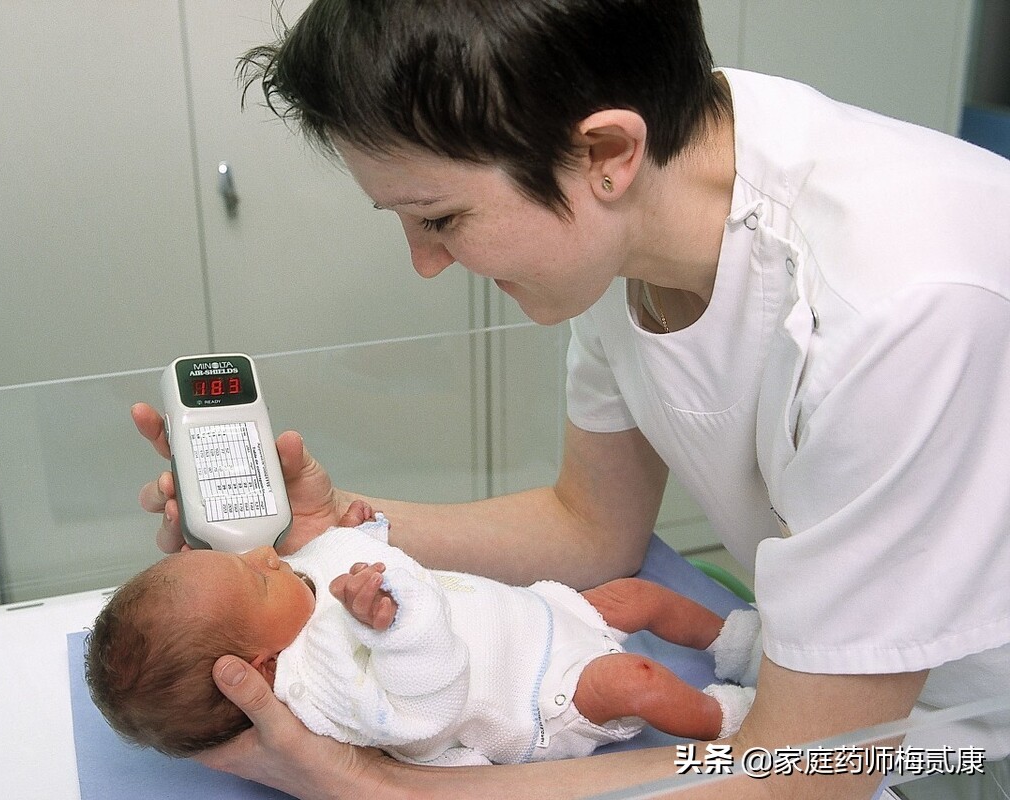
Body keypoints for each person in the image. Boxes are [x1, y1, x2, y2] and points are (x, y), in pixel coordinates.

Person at [131, 0, 1010, 797]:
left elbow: (811, 769)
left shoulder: (900, 310)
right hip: (835, 696)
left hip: (967, 740)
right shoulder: (644, 210)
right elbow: (592, 527)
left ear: (605, 156)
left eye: (439, 217)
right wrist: (318, 530)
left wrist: (394, 790)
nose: (425, 262)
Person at [86, 503, 759, 764]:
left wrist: (358, 530)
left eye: (245, 558)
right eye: (257, 581)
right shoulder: (322, 687)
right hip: (540, 695)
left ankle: (738, 645)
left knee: (636, 598)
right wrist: (392, 629)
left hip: (543, 616)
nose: (266, 558)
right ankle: (729, 718)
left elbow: (340, 560)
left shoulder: (296, 590)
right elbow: (425, 707)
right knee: (632, 680)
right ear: (262, 670)